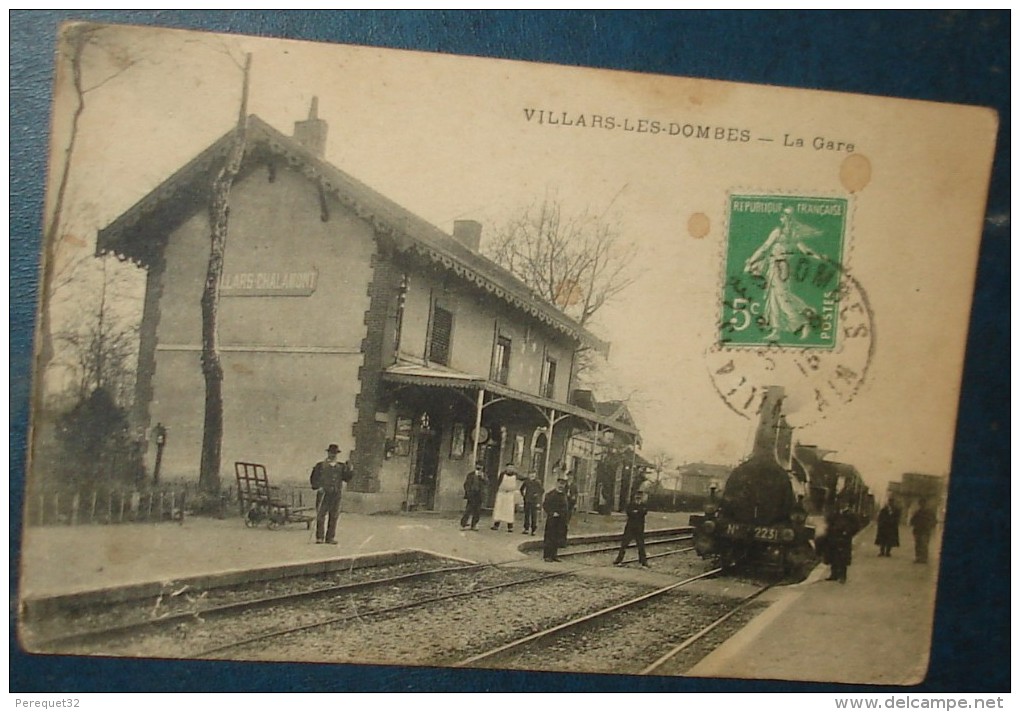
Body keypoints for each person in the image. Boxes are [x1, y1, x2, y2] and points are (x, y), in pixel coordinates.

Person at [743, 207, 825, 341]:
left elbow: (805, 250)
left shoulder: (793, 235)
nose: (785, 219)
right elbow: (765, 248)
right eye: (784, 217)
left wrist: (818, 256)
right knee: (774, 297)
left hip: (783, 267)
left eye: (788, 217)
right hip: (773, 266)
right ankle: (776, 330)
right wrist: (752, 261)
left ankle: (802, 322)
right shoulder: (778, 232)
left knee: (782, 296)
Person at [309, 443, 353, 544]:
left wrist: (350, 469)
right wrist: (318, 487)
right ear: (328, 453)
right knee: (321, 515)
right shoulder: (320, 466)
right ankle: (319, 537)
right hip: (323, 493)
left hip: (336, 494)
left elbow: (346, 479)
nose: (333, 455)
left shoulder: (341, 466)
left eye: (335, 453)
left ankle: (330, 538)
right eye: (331, 453)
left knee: (334, 516)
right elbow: (313, 478)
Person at [824, 502, 860, 583]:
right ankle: (834, 574)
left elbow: (856, 526)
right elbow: (829, 522)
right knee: (833, 555)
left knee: (843, 557)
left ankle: (843, 576)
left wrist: (848, 532)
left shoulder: (850, 514)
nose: (842, 505)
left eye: (844, 504)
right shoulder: (835, 513)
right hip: (833, 537)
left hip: (844, 538)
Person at [613, 490, 649, 567]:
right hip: (630, 528)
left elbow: (644, 512)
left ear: (642, 498)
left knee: (641, 545)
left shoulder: (644, 505)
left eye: (640, 497)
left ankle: (643, 561)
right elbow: (629, 512)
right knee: (624, 544)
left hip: (639, 528)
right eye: (637, 497)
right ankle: (619, 559)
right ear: (635, 497)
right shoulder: (631, 505)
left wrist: (636, 512)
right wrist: (638, 512)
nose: (638, 498)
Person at [542, 475, 570, 562]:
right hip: (552, 519)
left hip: (561, 520)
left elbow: (566, 507)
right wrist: (552, 513)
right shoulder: (550, 494)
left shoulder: (564, 495)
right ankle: (547, 555)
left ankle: (554, 555)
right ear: (556, 484)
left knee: (557, 536)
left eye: (563, 484)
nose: (561, 486)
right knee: (550, 536)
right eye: (560, 483)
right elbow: (545, 505)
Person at [490, 464, 519, 532]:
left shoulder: (516, 475)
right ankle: (496, 525)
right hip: (502, 494)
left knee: (509, 511)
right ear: (506, 468)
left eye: (511, 467)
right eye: (508, 467)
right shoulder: (502, 474)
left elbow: (523, 478)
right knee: (499, 509)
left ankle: (510, 527)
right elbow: (498, 483)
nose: (510, 469)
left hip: (510, 495)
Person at [460, 462, 486, 530]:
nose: (479, 467)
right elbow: (466, 484)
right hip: (472, 495)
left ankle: (474, 525)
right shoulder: (470, 475)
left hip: (479, 495)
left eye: (481, 466)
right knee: (468, 510)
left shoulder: (483, 475)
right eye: (478, 466)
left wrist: (482, 477)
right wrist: (468, 492)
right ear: (475, 466)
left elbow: (487, 483)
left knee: (477, 511)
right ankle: (463, 524)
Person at [910, 498, 938, 564]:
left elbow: (934, 521)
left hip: (925, 531)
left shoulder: (929, 512)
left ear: (925, 504)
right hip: (918, 531)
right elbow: (912, 521)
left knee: (924, 544)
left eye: (923, 504)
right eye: (921, 504)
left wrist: (929, 526)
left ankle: (924, 558)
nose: (922, 505)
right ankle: (918, 557)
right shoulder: (917, 512)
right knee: (918, 545)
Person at [520, 470, 544, 535]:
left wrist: (537, 495)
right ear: (528, 475)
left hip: (534, 501)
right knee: (527, 515)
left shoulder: (537, 482)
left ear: (535, 475)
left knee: (534, 515)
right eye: (531, 474)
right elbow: (521, 489)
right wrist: (524, 495)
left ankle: (533, 529)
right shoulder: (526, 482)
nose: (532, 475)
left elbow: (542, 490)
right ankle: (526, 528)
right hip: (527, 500)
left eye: (533, 474)